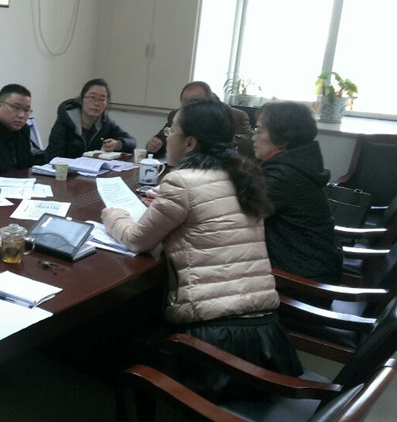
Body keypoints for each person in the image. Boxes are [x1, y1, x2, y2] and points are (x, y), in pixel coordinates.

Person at [102, 99, 301, 399]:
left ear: (190, 143)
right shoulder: (243, 175)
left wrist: (114, 215)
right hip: (266, 332)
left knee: (121, 342)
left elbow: (137, 240)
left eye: (172, 130)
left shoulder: (182, 181)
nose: (168, 136)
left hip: (215, 341)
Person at [253, 101, 342, 289]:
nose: (253, 137)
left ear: (283, 140)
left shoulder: (285, 174)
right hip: (312, 266)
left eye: (259, 131)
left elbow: (241, 213)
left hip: (302, 280)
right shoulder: (297, 163)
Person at [146, 81, 253, 159]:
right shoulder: (178, 115)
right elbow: (164, 137)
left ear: (209, 100)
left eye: (196, 103)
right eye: (186, 105)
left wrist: (218, 141)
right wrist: (156, 144)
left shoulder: (235, 116)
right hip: (182, 167)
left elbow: (248, 143)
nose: (191, 110)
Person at [45, 78, 136, 161]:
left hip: (91, 171)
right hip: (65, 171)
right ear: (81, 100)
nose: (96, 103)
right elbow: (54, 156)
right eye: (92, 97)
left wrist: (118, 144)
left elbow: (131, 141)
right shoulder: (65, 120)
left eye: (102, 99)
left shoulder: (105, 122)